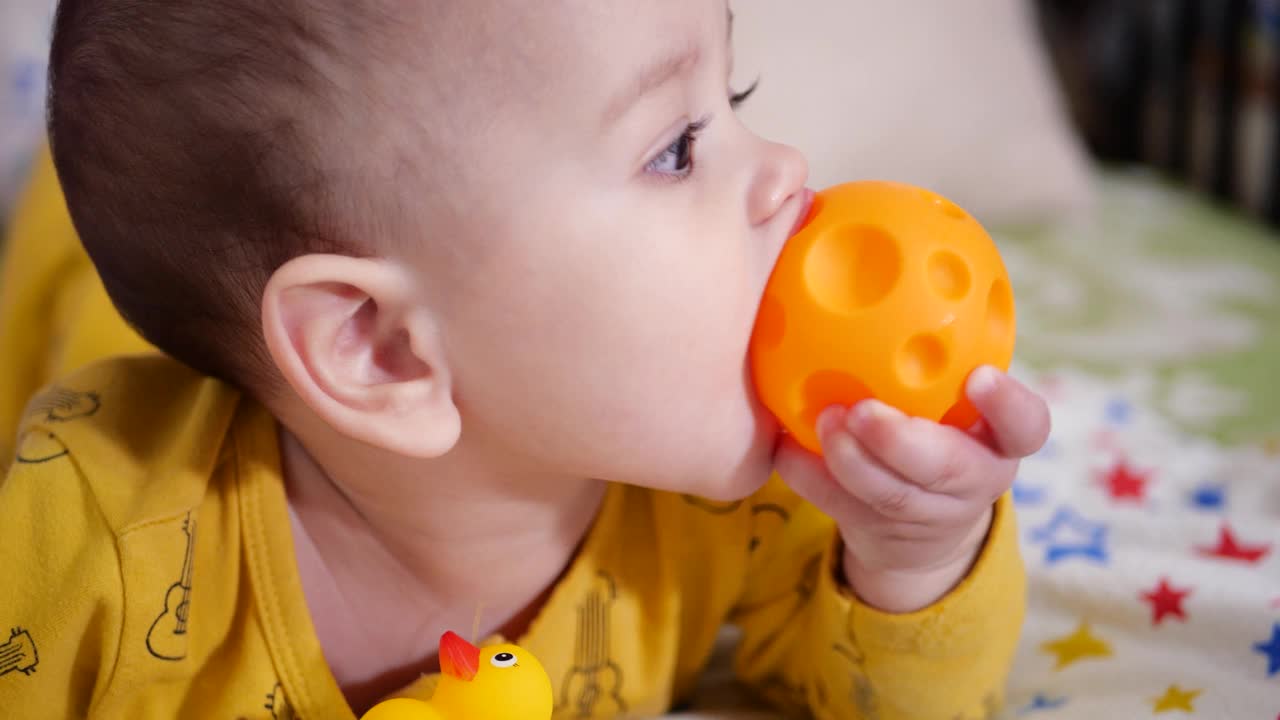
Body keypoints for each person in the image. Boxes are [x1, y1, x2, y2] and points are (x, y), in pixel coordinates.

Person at [0, 1, 1050, 718]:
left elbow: (892, 700)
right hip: (87, 314)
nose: (787, 169)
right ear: (385, 350)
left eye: (732, 100)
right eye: (674, 149)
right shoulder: (88, 546)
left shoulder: (742, 503)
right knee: (75, 284)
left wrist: (912, 557)